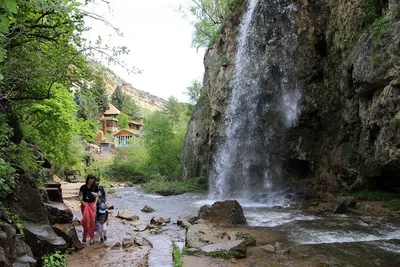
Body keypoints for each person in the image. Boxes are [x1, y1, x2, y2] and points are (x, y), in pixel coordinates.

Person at [78, 174, 98, 245]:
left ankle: (92, 237)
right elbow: (79, 195)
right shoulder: (83, 187)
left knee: (92, 220)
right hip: (85, 205)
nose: (91, 182)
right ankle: (85, 235)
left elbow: (97, 196)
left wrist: (95, 204)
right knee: (86, 220)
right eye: (90, 181)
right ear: (87, 180)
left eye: (92, 181)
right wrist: (82, 201)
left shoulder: (95, 187)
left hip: (92, 205)